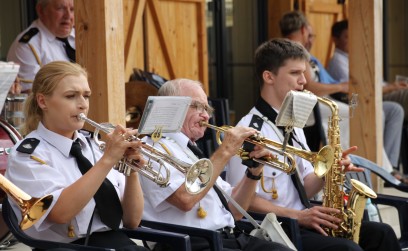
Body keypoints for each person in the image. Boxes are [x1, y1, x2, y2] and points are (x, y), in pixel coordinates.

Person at [226, 38, 401, 251]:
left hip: (304, 218)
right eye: (295, 73)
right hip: (274, 229)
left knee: (382, 233)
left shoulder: (293, 123)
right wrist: (299, 216)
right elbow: (240, 201)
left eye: (304, 72)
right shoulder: (248, 130)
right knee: (347, 249)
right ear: (268, 76)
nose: (303, 81)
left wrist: (329, 172)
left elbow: (304, 186)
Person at [5, 61, 148, 251]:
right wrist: (108, 160)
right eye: (71, 96)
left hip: (118, 243)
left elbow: (132, 220)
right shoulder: (28, 155)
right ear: (42, 101)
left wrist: (132, 171)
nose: (82, 105)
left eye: (86, 96)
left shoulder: (95, 145)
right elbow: (60, 213)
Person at [139, 78, 292, 251]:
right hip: (194, 244)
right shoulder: (151, 148)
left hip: (228, 238)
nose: (206, 115)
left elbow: (235, 210)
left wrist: (254, 172)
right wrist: (225, 150)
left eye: (206, 108)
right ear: (171, 107)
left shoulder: (191, 151)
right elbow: (185, 200)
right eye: (196, 106)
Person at [280, 11, 404, 176]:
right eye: (310, 35)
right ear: (304, 30)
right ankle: (378, 169)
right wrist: (340, 87)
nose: (311, 39)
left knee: (380, 110)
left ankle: (383, 167)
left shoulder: (308, 54)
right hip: (330, 100)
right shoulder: (333, 59)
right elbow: (311, 86)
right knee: (363, 112)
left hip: (343, 97)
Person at [328, 19, 407, 180]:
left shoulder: (357, 57)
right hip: (352, 101)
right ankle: (379, 166)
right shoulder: (338, 60)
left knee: (395, 109)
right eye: (346, 37)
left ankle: (389, 166)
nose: (351, 41)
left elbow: (375, 84)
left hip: (373, 96)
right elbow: (355, 90)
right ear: (335, 39)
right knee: (384, 111)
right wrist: (392, 87)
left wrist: (393, 86)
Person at [7, 0, 75, 93]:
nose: (68, 16)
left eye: (72, 9)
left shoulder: (83, 36)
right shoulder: (27, 45)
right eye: (60, 8)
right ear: (41, 11)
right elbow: (33, 94)